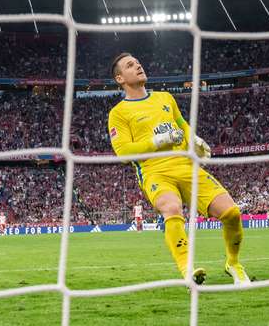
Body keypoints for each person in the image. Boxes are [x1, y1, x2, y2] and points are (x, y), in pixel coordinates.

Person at [107, 53, 250, 285]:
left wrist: (194, 138)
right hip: (155, 171)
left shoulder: (165, 98)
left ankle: (233, 264)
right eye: (130, 65)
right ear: (120, 78)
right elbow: (123, 153)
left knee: (231, 213)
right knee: (172, 208)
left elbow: (181, 124)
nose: (138, 65)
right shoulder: (118, 113)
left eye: (137, 61)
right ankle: (187, 270)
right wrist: (158, 141)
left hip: (186, 165)